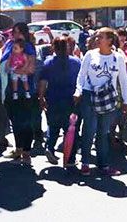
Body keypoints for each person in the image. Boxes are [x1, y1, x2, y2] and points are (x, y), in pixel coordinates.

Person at [74, 27, 127, 176]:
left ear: (110, 40)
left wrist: (126, 100)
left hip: (108, 98)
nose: (97, 39)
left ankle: (103, 164)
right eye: (96, 37)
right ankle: (85, 162)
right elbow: (81, 75)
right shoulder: (89, 55)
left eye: (100, 37)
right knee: (89, 129)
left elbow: (123, 81)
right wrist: (78, 90)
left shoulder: (117, 58)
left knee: (103, 132)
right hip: (89, 95)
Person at [38, 36, 81, 165]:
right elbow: (81, 81)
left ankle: (50, 148)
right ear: (68, 48)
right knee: (71, 129)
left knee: (53, 125)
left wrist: (41, 98)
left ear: (53, 48)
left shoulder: (48, 62)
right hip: (71, 99)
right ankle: (70, 158)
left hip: (53, 98)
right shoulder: (76, 62)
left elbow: (43, 83)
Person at [1, 23, 37, 165]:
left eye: (17, 32)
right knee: (15, 121)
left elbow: (31, 67)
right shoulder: (10, 45)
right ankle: (18, 149)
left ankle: (26, 153)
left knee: (26, 122)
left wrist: (18, 71)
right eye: (13, 32)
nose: (14, 34)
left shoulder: (28, 46)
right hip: (11, 89)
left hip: (25, 90)